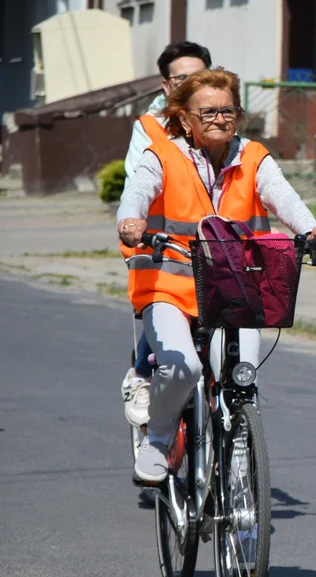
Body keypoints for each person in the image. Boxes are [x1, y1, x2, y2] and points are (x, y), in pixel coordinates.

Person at [116, 68, 316, 484]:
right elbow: (138, 191)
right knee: (182, 369)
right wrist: (131, 219)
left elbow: (282, 195)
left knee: (242, 378)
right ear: (184, 120)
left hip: (235, 286)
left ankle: (238, 450)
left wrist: (310, 230)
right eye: (208, 112)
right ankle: (159, 439)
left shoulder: (252, 156)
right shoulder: (161, 155)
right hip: (168, 283)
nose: (220, 119)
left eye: (228, 110)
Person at [120, 41, 213, 428]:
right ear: (165, 85)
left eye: (200, 76)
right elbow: (138, 185)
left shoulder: (218, 117)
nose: (192, 83)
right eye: (182, 78)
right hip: (159, 239)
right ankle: (142, 371)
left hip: (209, 240)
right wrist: (135, 223)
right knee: (165, 300)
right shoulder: (151, 128)